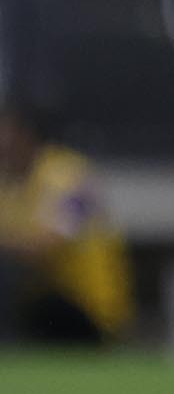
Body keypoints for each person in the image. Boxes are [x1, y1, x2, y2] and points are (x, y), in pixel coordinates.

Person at [0, 102, 133, 345]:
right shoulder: (8, 185)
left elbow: (46, 247)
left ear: (24, 135)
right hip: (36, 300)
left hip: (84, 307)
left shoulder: (70, 177)